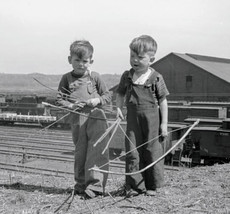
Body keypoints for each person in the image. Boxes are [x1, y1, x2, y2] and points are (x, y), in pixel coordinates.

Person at [56, 40, 111, 198]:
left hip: (96, 119)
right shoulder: (66, 79)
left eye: (85, 61)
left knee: (97, 149)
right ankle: (80, 184)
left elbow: (107, 96)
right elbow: (59, 100)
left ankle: (95, 186)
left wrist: (97, 100)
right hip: (77, 120)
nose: (81, 64)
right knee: (80, 152)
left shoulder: (95, 77)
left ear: (91, 61)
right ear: (69, 60)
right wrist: (71, 106)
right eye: (77, 60)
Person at [116, 35, 169, 197]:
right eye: (132, 56)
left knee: (151, 151)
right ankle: (134, 187)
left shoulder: (156, 77)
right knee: (133, 152)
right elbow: (120, 94)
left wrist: (164, 124)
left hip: (152, 123)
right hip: (133, 123)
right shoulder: (127, 76)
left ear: (151, 58)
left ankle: (152, 185)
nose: (135, 60)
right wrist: (118, 108)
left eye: (140, 57)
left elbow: (163, 102)